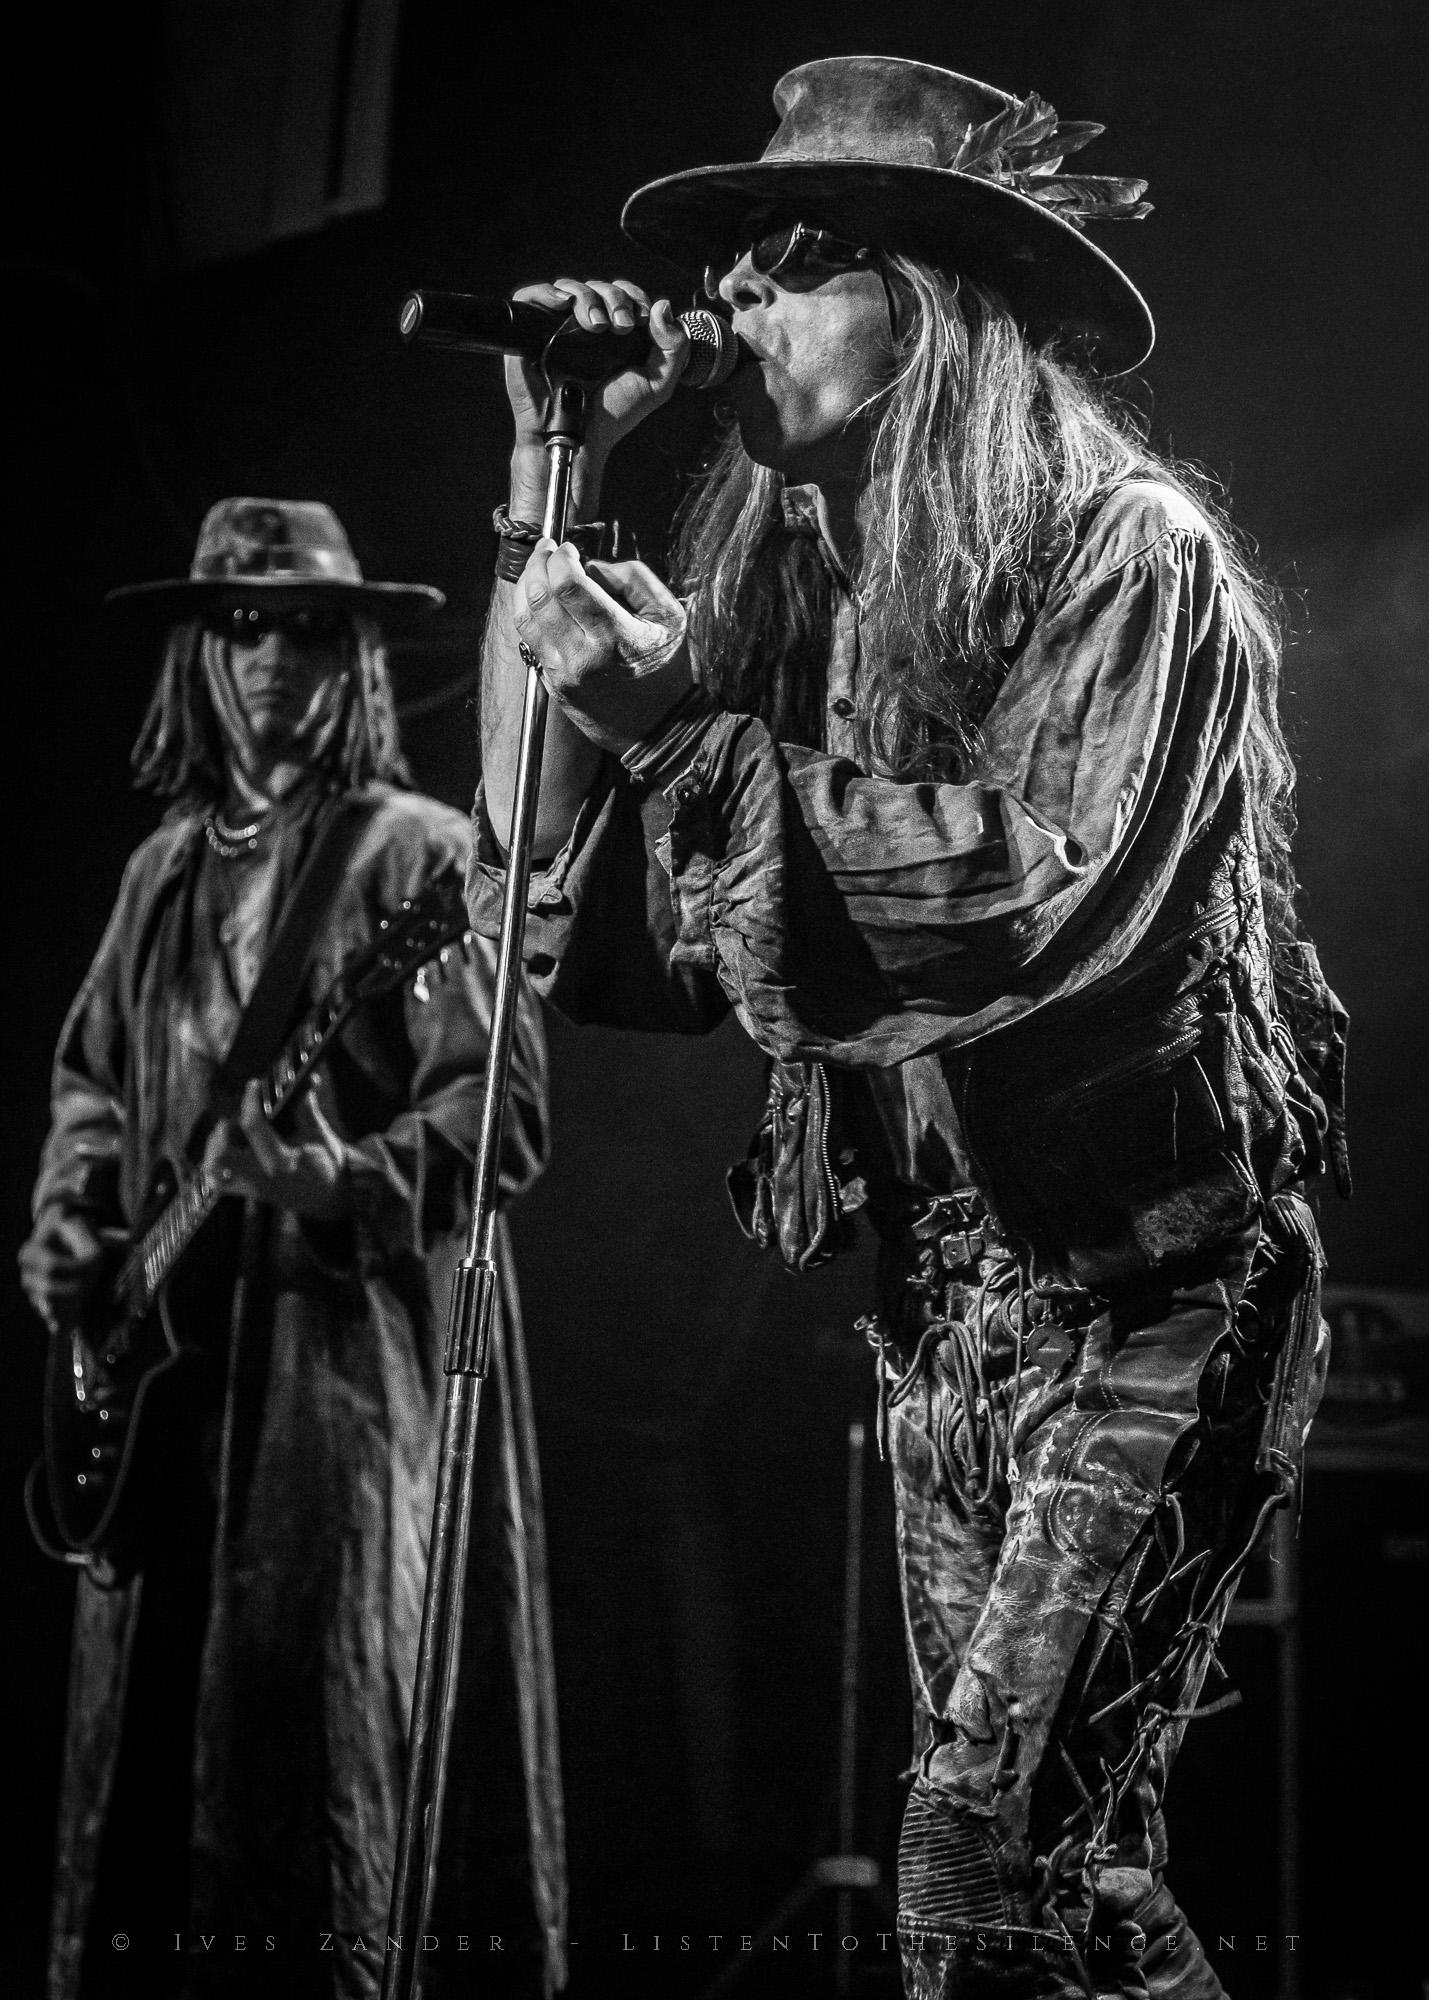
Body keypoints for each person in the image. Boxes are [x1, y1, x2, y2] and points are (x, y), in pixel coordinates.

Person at [468, 54, 1349, 2000]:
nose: (736, 306)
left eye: (791, 259)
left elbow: (1030, 900)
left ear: (928, 302)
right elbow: (579, 900)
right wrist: (559, 480)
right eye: (737, 268)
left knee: (981, 1852)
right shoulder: (819, 593)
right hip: (948, 1310)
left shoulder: (1135, 559)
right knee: (1061, 1885)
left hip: (1154, 1297)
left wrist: (680, 733)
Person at [20, 499, 566, 2000]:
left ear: (358, 655)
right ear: (201, 650)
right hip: (162, 1396)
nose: (274, 655)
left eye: (311, 626)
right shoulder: (162, 873)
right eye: (244, 623)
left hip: (339, 1385)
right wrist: (70, 1228)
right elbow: (87, 1084)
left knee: (322, 1756)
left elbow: (500, 1117)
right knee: (141, 1777)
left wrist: (338, 1177)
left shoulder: (422, 856)